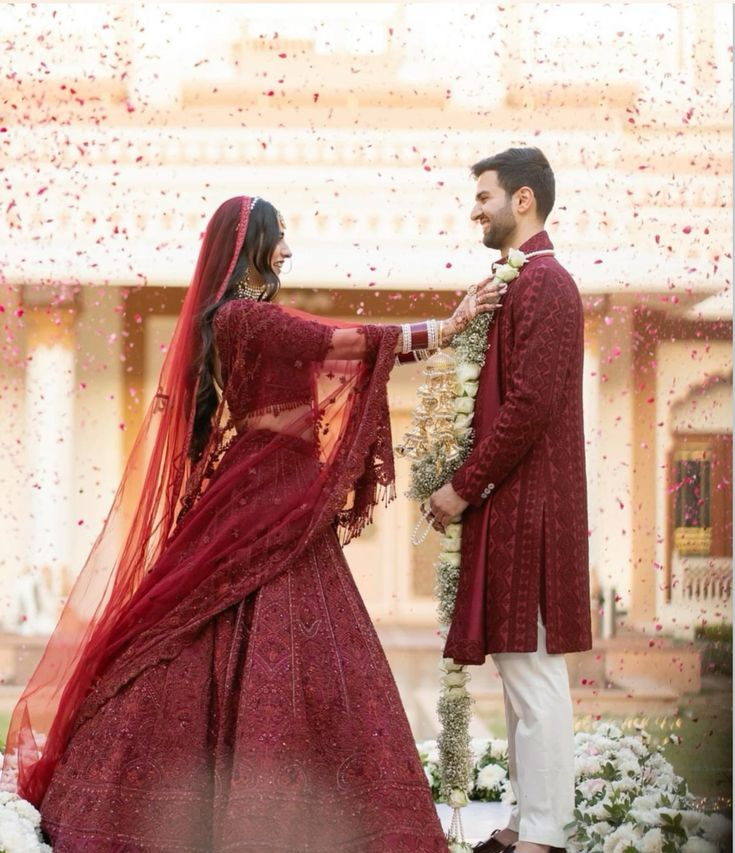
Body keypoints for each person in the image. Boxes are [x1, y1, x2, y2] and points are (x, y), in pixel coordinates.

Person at [1, 195, 503, 853]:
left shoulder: (252, 319)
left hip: (278, 484)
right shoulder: (244, 318)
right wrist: (453, 321)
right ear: (254, 244)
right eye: (281, 237)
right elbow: (346, 344)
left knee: (298, 625)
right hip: (266, 484)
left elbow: (342, 354)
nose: (289, 250)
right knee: (230, 622)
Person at [428, 148, 592, 853]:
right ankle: (529, 821)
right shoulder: (514, 284)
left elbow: (528, 405)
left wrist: (461, 487)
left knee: (534, 675)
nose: (475, 208)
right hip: (512, 504)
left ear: (521, 200)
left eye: (484, 196)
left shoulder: (546, 286)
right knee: (518, 672)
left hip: (534, 508)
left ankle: (547, 833)